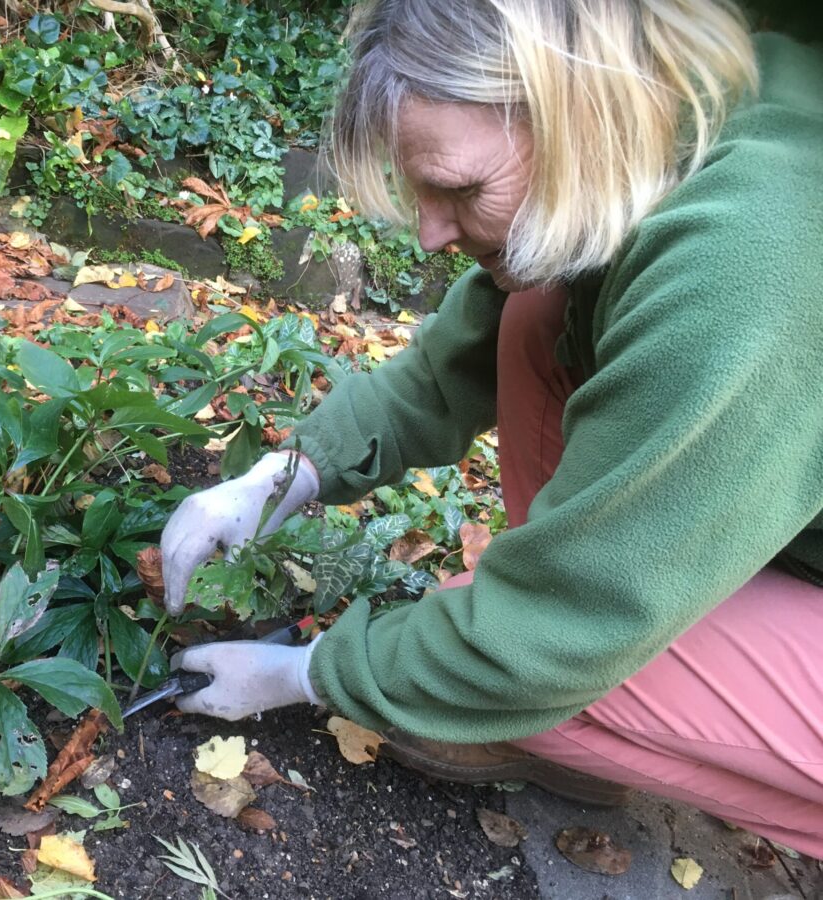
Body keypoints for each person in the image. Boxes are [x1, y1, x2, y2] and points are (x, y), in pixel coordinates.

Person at [158, 0, 823, 859]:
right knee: (533, 309)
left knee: (571, 678)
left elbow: (556, 644)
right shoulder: (668, 124)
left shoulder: (750, 265)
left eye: (462, 190)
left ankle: (537, 716)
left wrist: (307, 675)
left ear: (585, 114)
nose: (430, 233)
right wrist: (279, 478)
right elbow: (448, 366)